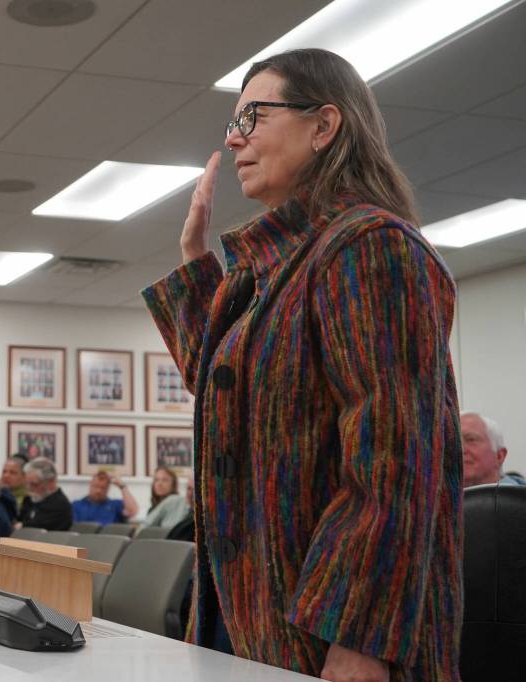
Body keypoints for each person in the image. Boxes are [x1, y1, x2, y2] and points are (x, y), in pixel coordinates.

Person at [142, 48, 462, 681]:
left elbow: (394, 458)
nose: (234, 138)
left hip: (329, 640)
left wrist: (358, 635)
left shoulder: (368, 244)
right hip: (261, 623)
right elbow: (226, 404)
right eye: (233, 122)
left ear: (324, 126)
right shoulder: (278, 265)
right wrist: (193, 259)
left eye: (253, 116)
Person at [461, 412, 524, 487]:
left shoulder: (520, 497)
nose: (460, 449)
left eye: (471, 439)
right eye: (453, 443)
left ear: (499, 456)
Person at [18, 458, 73, 531]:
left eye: (34, 484)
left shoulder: (60, 505)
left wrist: (22, 526)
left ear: (51, 482)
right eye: (27, 484)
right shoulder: (29, 499)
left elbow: (37, 529)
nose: (29, 488)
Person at [71, 471, 139, 526]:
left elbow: (132, 511)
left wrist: (122, 486)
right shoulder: (76, 505)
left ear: (108, 489)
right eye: (96, 486)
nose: (99, 491)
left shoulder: (115, 505)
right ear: (90, 485)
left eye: (103, 488)